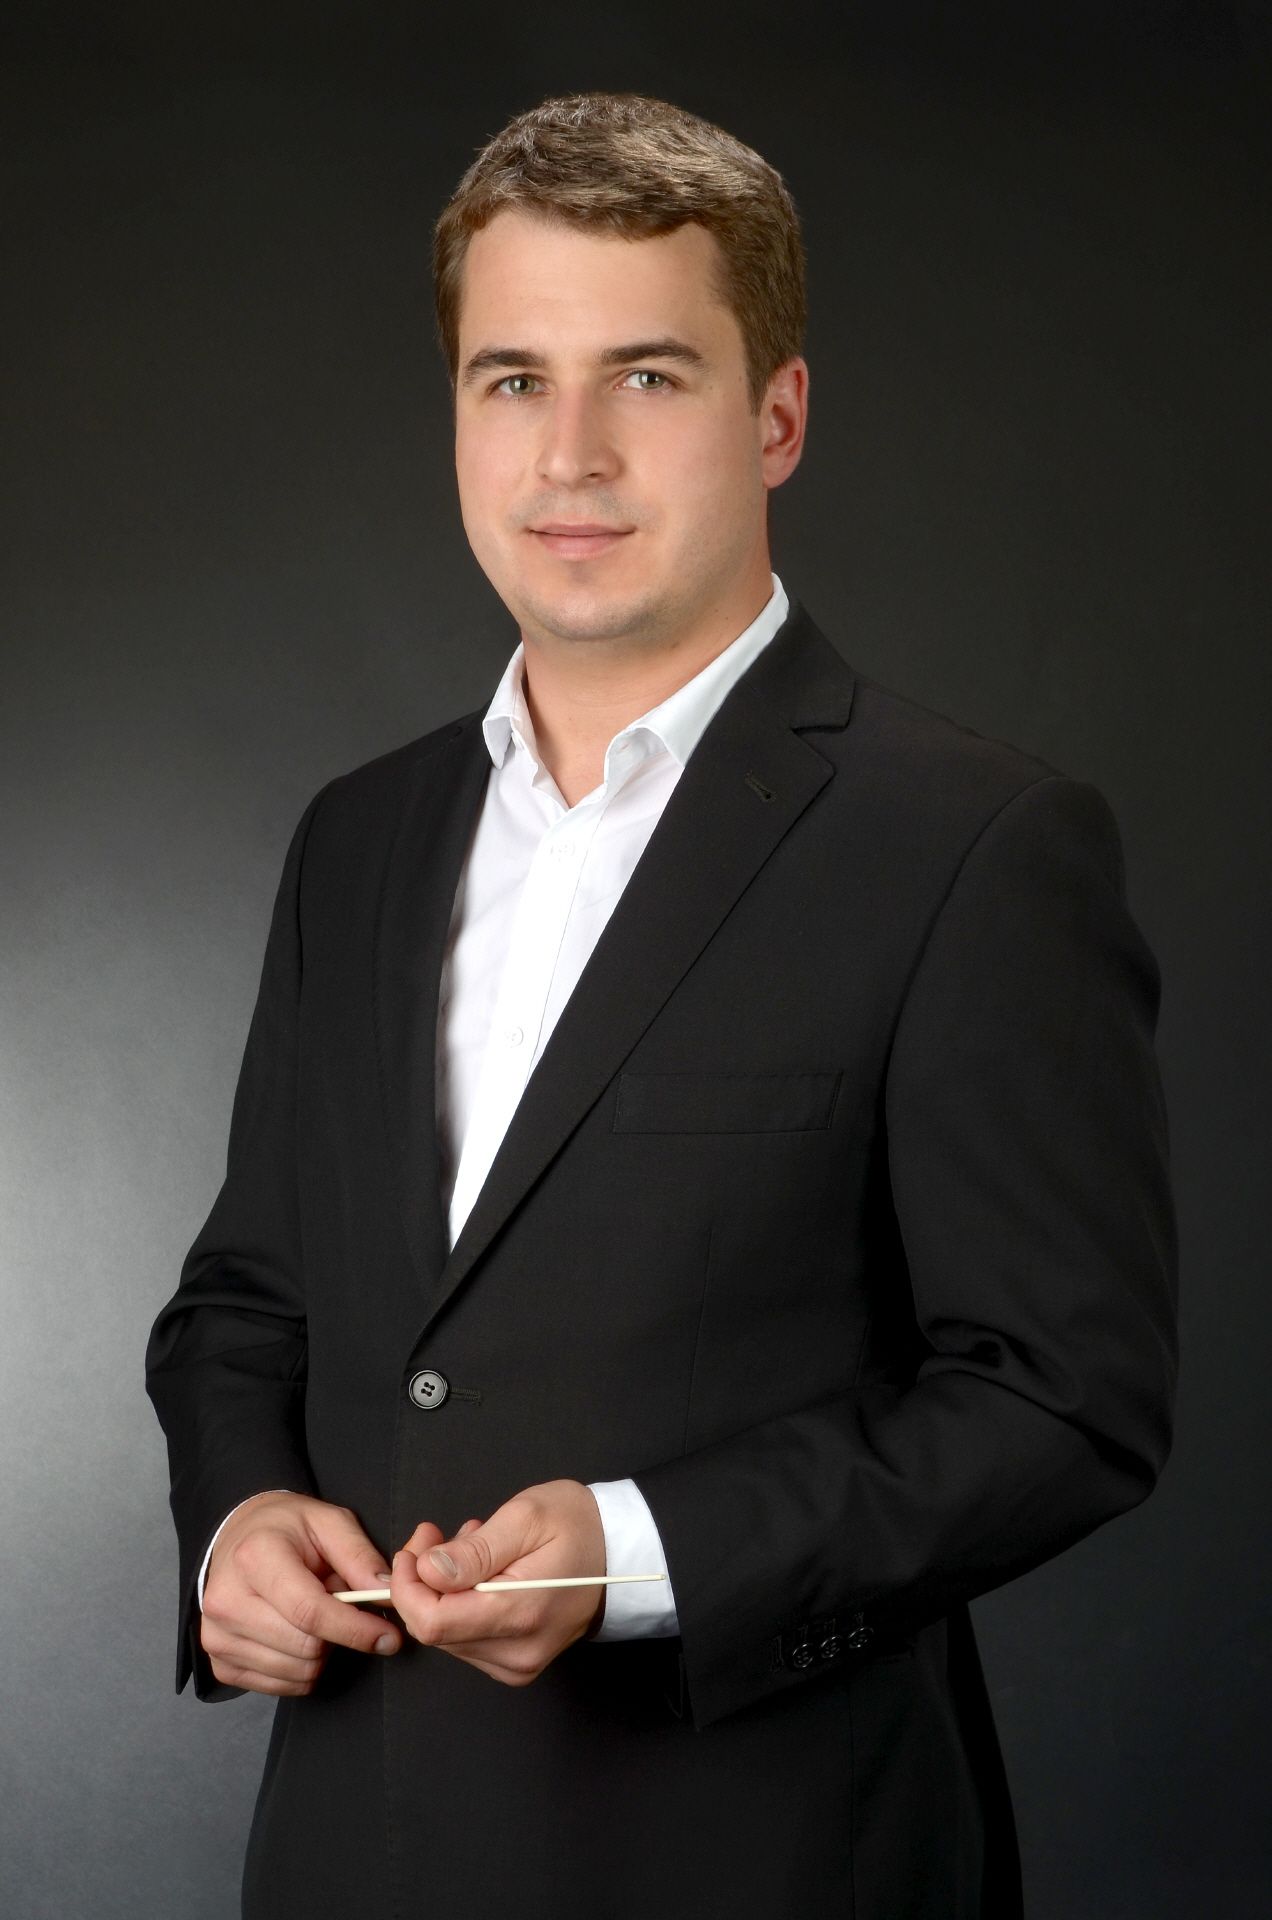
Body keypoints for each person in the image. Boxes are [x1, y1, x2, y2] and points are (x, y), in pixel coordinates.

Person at [145, 90, 1178, 1919]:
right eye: (513, 381)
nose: (573, 455)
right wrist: (234, 1520)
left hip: (769, 1863)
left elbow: (1062, 1401)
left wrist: (635, 1557)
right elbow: (251, 1298)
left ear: (777, 416)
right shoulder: (357, 839)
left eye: (647, 374)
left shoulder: (979, 843)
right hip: (350, 1858)